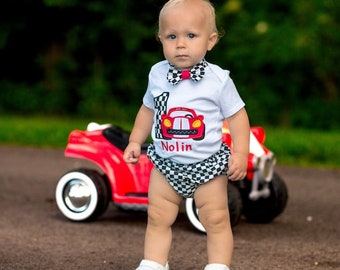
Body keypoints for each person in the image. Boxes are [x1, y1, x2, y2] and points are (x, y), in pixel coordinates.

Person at [123, 0, 250, 269]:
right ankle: (154, 262)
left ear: (211, 40)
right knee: (158, 216)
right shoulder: (157, 74)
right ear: (161, 40)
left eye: (191, 35)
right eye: (172, 36)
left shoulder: (218, 79)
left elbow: (238, 116)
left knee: (215, 219)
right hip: (165, 165)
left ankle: (218, 265)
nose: (181, 44)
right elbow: (147, 110)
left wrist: (240, 153)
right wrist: (135, 140)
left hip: (208, 165)